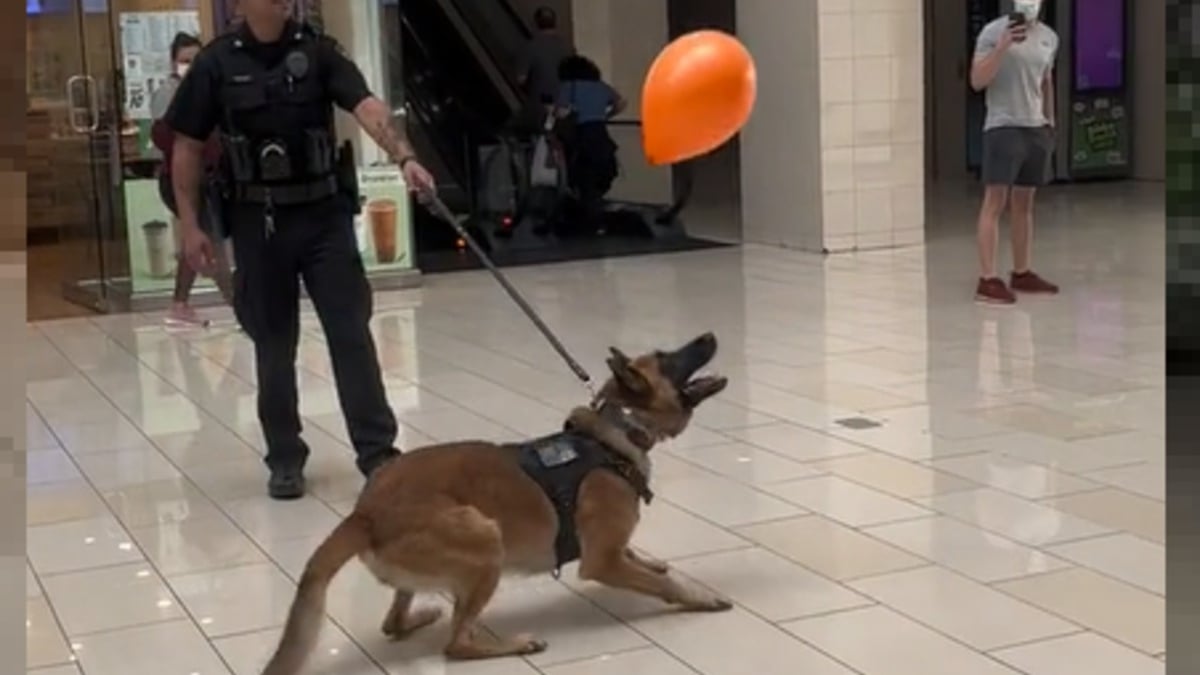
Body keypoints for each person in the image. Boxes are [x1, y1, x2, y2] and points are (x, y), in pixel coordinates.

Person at [165, 0, 437, 500]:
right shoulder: (217, 62)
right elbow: (185, 145)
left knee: (350, 333)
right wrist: (190, 224)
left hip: (322, 215)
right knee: (273, 344)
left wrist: (406, 157)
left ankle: (378, 452)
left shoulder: (318, 52)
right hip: (257, 220)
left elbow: (368, 106)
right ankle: (285, 456)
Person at [969, 0, 1060, 305]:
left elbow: (1046, 80)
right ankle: (987, 278)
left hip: (1035, 128)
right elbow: (977, 80)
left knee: (1025, 203)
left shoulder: (1049, 37)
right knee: (995, 201)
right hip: (1002, 126)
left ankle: (1022, 271)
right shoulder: (992, 33)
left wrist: (1050, 120)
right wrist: (1003, 46)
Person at [150, 32, 233, 326]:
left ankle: (179, 304)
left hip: (209, 179)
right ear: (174, 63)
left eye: (196, 60)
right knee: (211, 243)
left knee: (196, 238)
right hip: (179, 180)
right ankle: (240, 308)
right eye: (185, 60)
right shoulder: (169, 94)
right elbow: (164, 138)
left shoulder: (212, 90)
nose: (190, 66)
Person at [555, 55, 626, 236]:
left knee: (583, 177)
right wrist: (606, 115)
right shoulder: (601, 86)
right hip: (601, 134)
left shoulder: (568, 87)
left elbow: (561, 113)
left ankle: (590, 220)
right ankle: (596, 215)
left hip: (581, 136)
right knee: (603, 172)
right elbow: (621, 102)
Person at [516, 6, 573, 107]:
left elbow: (521, 79)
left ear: (536, 24)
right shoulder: (567, 47)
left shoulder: (530, 47)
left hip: (540, 102)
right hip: (564, 102)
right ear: (555, 23)